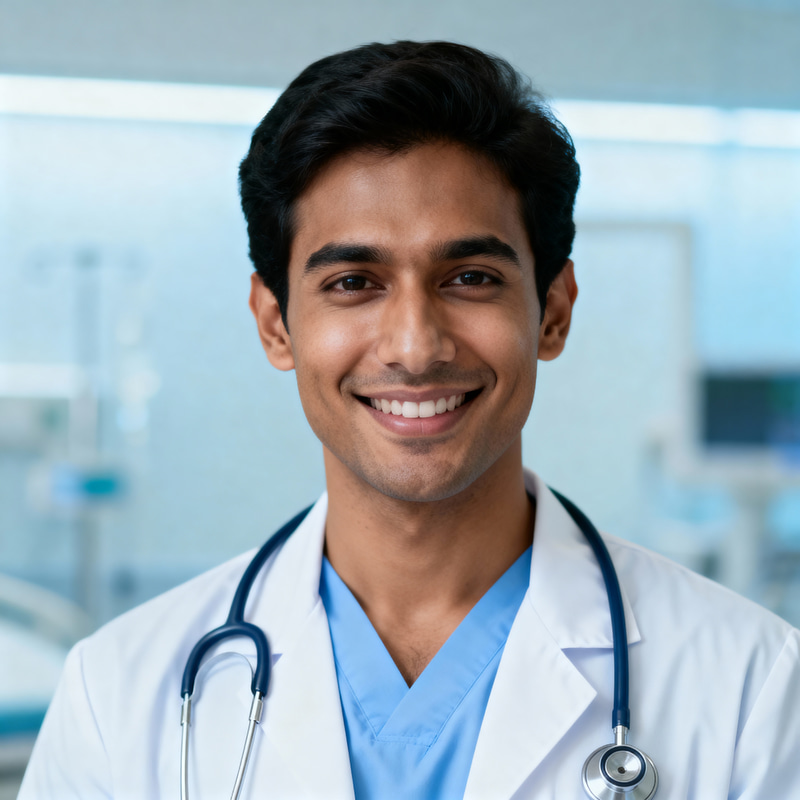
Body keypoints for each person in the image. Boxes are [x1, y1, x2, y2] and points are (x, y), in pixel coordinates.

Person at [20, 40, 800, 800]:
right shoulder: (118, 698)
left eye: (470, 277)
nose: (415, 347)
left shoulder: (750, 687)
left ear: (553, 313)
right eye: (355, 282)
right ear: (275, 325)